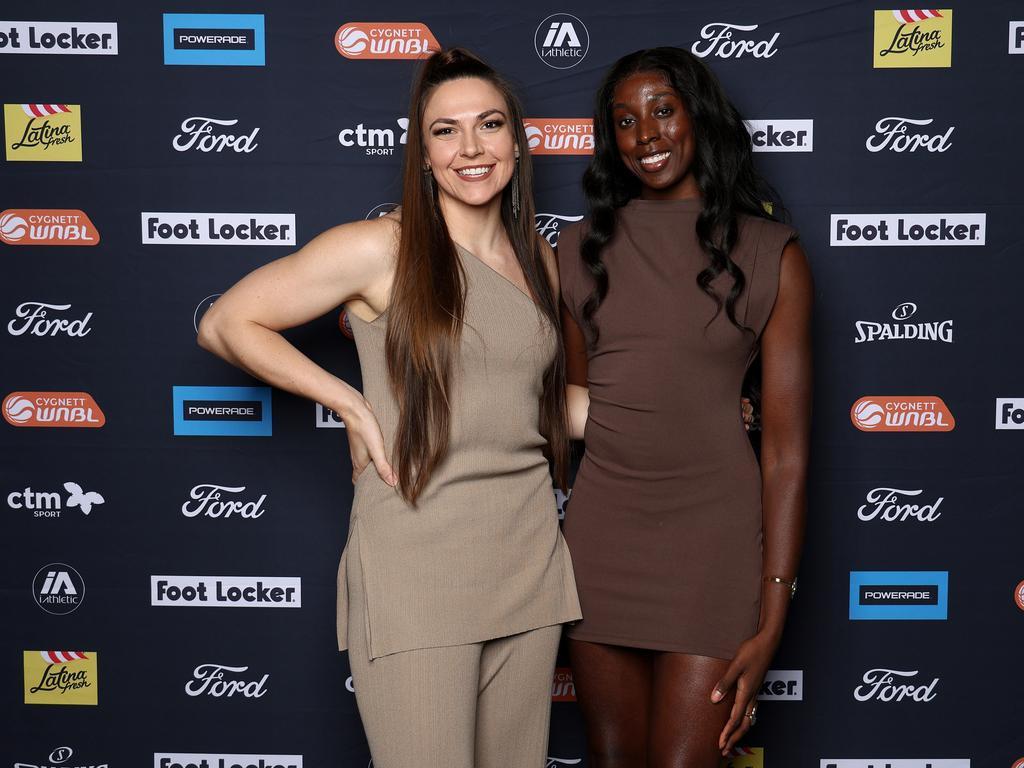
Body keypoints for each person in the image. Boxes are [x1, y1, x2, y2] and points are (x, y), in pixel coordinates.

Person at [197, 48, 582, 768]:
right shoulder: (383, 248)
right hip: (420, 561)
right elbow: (225, 323)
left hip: (527, 556)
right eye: (446, 130)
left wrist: (706, 415)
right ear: (422, 150)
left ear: (517, 140)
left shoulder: (536, 253)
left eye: (489, 124)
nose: (470, 148)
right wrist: (352, 403)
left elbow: (539, 406)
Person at [556, 47, 813, 765]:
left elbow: (787, 453)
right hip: (602, 544)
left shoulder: (770, 253)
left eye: (663, 111)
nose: (647, 136)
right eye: (626, 121)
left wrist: (774, 609)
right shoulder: (577, 251)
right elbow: (579, 410)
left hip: (716, 550)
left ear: (697, 116)